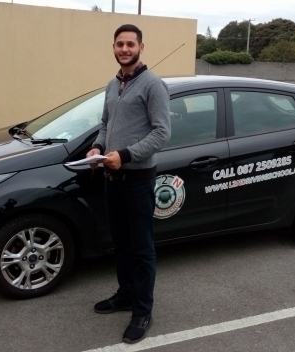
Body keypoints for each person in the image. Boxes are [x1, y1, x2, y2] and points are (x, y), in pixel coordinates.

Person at [86, 24, 170, 344]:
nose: (124, 49)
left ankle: (142, 310)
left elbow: (162, 133)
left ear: (141, 48)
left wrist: (125, 154)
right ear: (114, 47)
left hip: (137, 180)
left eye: (130, 44)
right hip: (112, 178)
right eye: (119, 44)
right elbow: (106, 124)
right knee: (121, 243)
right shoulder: (112, 84)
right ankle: (125, 295)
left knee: (141, 248)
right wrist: (97, 146)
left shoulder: (152, 85)